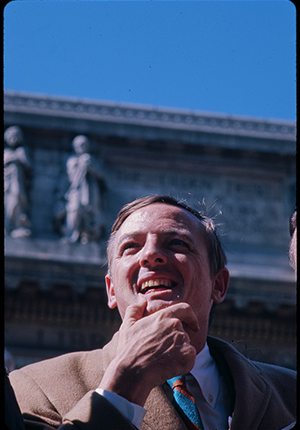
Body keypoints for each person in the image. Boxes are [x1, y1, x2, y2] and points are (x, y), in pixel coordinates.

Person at [8, 195, 296, 430]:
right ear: (110, 290)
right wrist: (125, 385)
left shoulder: (291, 393)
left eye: (176, 243)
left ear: (218, 285)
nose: (150, 255)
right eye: (130, 247)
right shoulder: (33, 388)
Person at [64, 135, 106, 243]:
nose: (82, 147)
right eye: (79, 145)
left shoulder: (91, 160)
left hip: (90, 191)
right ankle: (71, 234)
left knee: (89, 211)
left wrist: (91, 167)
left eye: (84, 145)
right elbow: (70, 177)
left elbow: (101, 175)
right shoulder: (71, 161)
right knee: (74, 210)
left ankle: (87, 235)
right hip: (75, 190)